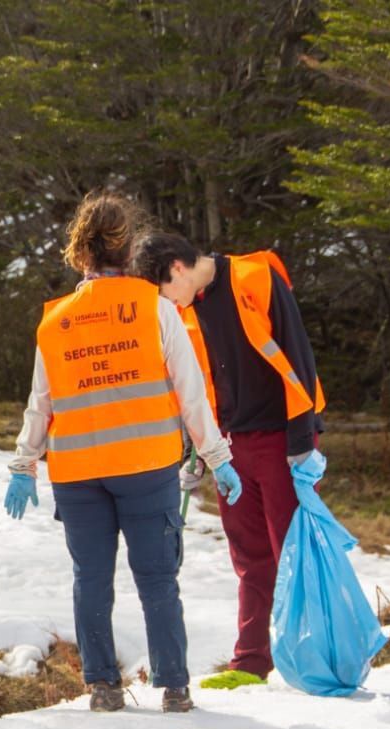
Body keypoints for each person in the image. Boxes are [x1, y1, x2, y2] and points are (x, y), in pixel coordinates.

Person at [4, 191, 242, 713]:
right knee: (157, 578)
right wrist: (217, 456)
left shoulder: (55, 321)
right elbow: (191, 391)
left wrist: (25, 465)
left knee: (91, 580)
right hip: (145, 469)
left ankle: (104, 688)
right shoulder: (155, 310)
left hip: (78, 474)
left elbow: (39, 404)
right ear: (128, 248)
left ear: (80, 251)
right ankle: (175, 689)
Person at [132, 232, 325, 690]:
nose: (166, 302)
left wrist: (303, 440)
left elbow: (298, 354)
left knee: (295, 553)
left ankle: (316, 659)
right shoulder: (186, 309)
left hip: (282, 439)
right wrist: (201, 450)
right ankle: (251, 662)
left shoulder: (254, 277)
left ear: (177, 268)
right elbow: (196, 385)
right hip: (231, 448)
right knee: (249, 557)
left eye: (163, 290)